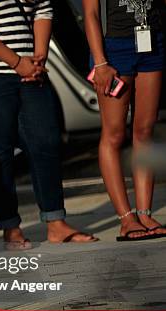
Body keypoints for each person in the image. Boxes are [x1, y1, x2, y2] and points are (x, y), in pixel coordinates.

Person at [0, 0, 98, 248]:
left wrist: (38, 59)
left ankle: (56, 223)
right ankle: (10, 227)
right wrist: (17, 62)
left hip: (29, 68)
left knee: (45, 141)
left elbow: (44, 8)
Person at [83, 0, 166, 241]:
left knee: (144, 131)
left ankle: (144, 213)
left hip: (152, 42)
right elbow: (90, 14)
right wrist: (100, 63)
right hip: (113, 50)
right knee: (114, 134)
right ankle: (126, 218)